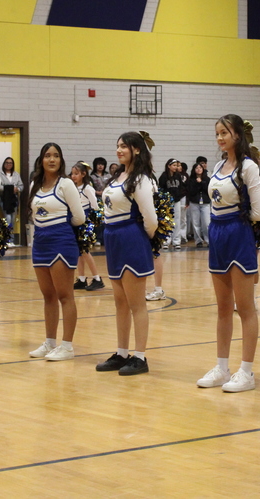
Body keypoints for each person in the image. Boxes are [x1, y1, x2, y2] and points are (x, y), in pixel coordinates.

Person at [196, 114, 260, 393]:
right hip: (218, 235)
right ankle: (222, 368)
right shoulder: (218, 165)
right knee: (223, 308)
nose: (220, 138)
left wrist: (238, 224)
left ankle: (246, 371)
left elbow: (259, 212)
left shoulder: (248, 167)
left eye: (224, 132)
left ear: (237, 135)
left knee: (244, 308)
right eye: (217, 134)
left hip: (238, 235)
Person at [96, 132, 157, 376]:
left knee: (136, 303)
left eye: (125, 146)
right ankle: (122, 353)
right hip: (113, 240)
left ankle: (140, 357)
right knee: (120, 302)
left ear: (137, 150)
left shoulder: (140, 179)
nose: (119, 150)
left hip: (131, 237)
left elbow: (150, 219)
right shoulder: (117, 176)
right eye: (118, 145)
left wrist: (142, 239)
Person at [27, 143, 85, 361]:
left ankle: (67, 346)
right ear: (41, 159)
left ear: (61, 160)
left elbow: (79, 217)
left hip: (61, 241)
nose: (52, 159)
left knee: (64, 295)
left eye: (56, 156)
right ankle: (50, 342)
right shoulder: (35, 184)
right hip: (40, 242)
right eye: (47, 155)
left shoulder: (66, 184)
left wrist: (59, 227)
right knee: (48, 295)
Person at [71, 161, 105, 291]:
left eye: (76, 173)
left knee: (85, 251)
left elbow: (95, 206)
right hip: (75, 221)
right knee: (79, 252)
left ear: (83, 174)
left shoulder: (88, 188)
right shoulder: (73, 188)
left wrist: (89, 221)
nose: (73, 176)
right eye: (72, 174)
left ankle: (97, 278)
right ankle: (82, 279)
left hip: (84, 223)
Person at [159, 159, 186, 250]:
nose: (176, 167)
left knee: (177, 221)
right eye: (174, 165)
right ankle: (166, 241)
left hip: (176, 201)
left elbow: (182, 187)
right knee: (167, 221)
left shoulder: (178, 176)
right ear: (169, 166)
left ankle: (176, 241)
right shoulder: (163, 177)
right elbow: (161, 190)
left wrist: (178, 196)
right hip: (167, 202)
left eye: (177, 165)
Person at [0, 157, 24, 247]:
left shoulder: (16, 174)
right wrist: (9, 189)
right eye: (7, 162)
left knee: (13, 219)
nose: (8, 164)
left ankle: (12, 240)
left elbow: (21, 185)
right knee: (7, 218)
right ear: (4, 164)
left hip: (14, 199)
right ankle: (6, 239)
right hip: (4, 199)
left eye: (10, 163)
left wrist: (17, 189)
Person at [187, 161, 211, 247]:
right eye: (196, 168)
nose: (198, 169)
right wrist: (197, 184)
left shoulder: (207, 179)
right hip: (194, 203)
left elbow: (208, 191)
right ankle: (198, 241)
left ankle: (208, 240)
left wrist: (201, 183)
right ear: (194, 170)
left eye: (200, 168)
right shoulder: (191, 180)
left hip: (205, 203)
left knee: (206, 222)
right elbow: (191, 192)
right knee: (195, 222)